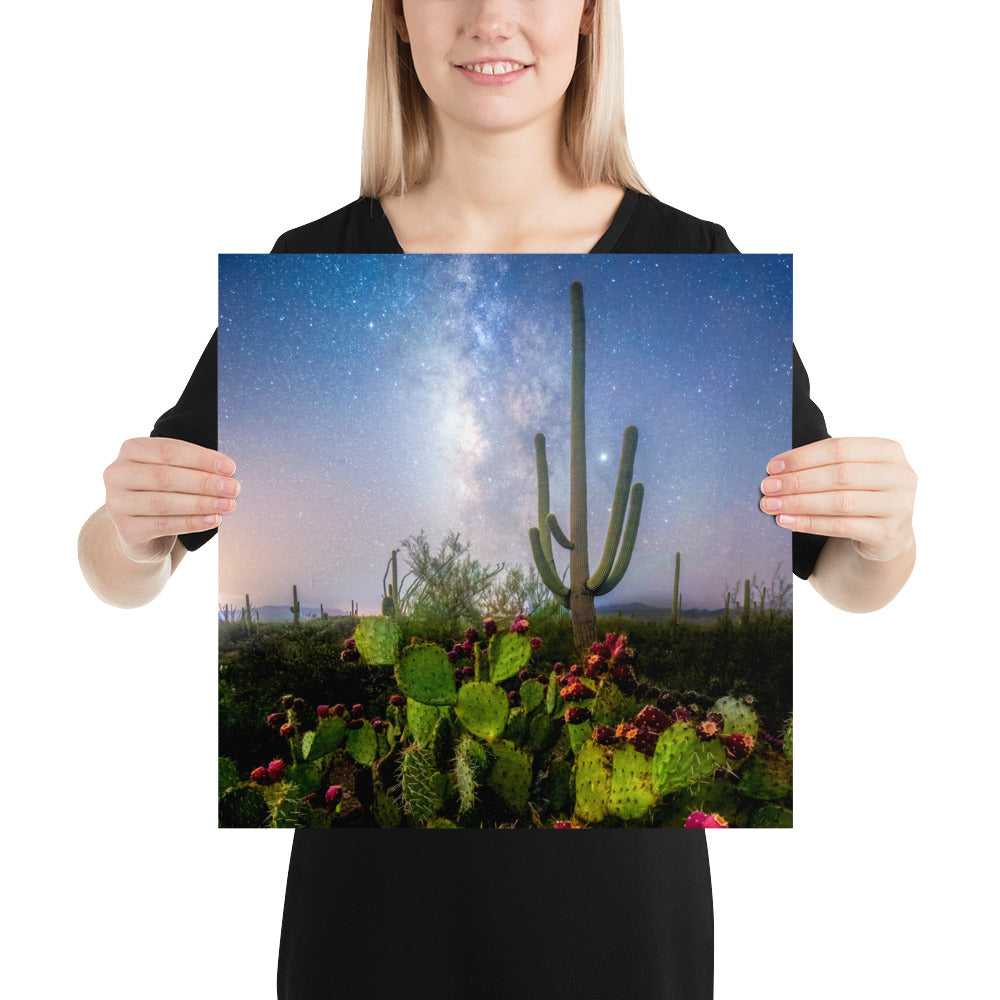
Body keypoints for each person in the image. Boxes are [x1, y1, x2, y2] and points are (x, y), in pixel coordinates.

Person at [77, 1, 917, 997]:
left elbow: (843, 575)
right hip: (367, 928)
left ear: (591, 18)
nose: (491, 18)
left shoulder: (700, 260)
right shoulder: (304, 258)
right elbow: (120, 566)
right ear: (395, 19)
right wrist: (130, 535)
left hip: (619, 930)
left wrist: (885, 533)